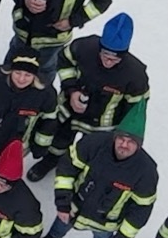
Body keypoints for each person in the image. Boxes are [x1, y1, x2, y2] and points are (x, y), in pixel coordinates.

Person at [33, 103, 157, 238]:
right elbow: (67, 168)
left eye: (131, 142)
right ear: (115, 137)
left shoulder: (146, 172)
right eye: (121, 139)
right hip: (75, 206)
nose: (124, 144)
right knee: (61, 224)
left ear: (139, 145)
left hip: (106, 221)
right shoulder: (93, 144)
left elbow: (141, 209)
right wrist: (63, 203)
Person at [37, 12, 149, 179]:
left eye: (114, 59)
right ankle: (52, 160)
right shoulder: (84, 47)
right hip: (70, 112)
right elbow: (65, 60)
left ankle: (79, 174)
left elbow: (136, 109)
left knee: (91, 151)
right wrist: (71, 90)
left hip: (102, 126)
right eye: (105, 55)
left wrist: (124, 132)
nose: (108, 61)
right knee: (59, 140)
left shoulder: (135, 75)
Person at [0, 48, 59, 180]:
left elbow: (49, 122)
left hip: (15, 150)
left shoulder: (46, 94)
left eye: (28, 75)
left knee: (3, 179)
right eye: (17, 73)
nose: (21, 79)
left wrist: (40, 146)